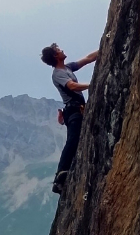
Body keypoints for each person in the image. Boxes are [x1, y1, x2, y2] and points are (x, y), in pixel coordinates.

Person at [41, 43, 99, 194]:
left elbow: (87, 59)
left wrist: (106, 45)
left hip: (76, 109)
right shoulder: (58, 74)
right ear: (55, 56)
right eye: (59, 50)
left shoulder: (67, 68)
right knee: (73, 139)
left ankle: (64, 173)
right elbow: (72, 86)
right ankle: (61, 175)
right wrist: (92, 85)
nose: (62, 50)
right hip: (73, 110)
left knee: (76, 139)